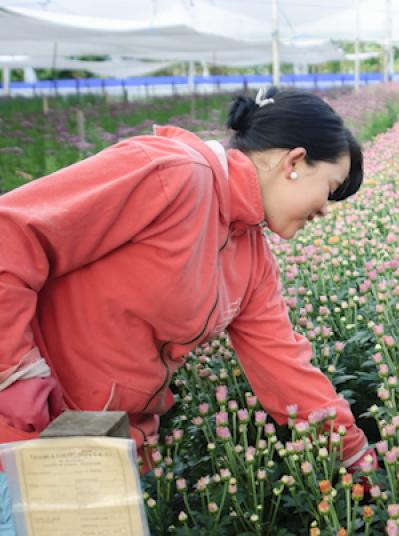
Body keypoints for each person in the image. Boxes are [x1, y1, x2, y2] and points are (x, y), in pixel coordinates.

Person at [0, 86, 377, 474]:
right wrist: (14, 371)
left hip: (104, 449)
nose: (323, 210)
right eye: (329, 190)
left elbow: (283, 367)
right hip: (21, 438)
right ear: (294, 161)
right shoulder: (172, 173)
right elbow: (10, 232)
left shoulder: (251, 256)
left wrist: (351, 454)